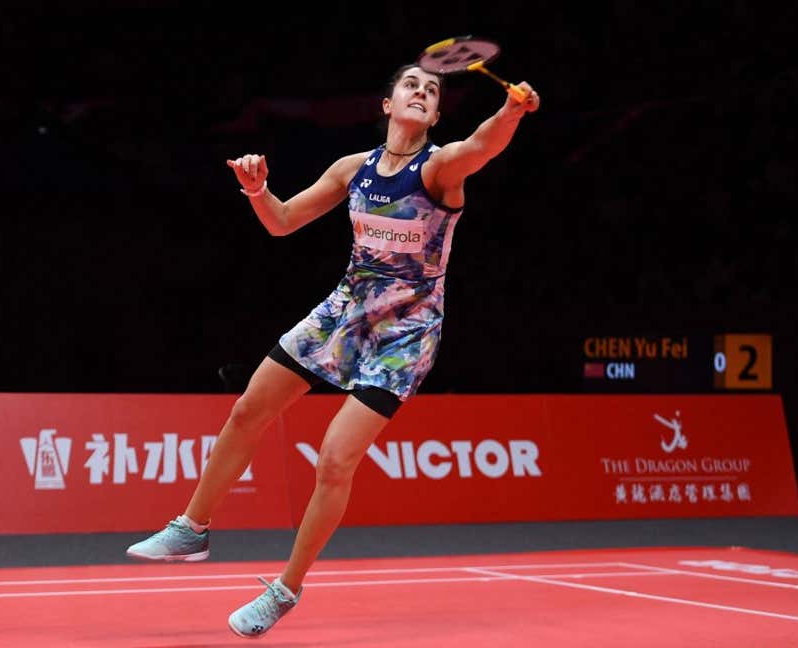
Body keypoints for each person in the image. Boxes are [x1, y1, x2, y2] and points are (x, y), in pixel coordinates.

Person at [125, 62, 540, 638]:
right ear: (389, 104)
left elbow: (482, 146)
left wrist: (511, 112)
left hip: (406, 332)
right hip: (344, 311)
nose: (421, 92)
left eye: (432, 90)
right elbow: (284, 221)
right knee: (248, 408)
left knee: (334, 458)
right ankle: (192, 527)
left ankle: (285, 589)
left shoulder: (440, 166)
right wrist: (257, 190)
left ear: (436, 115)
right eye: (410, 85)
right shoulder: (354, 170)